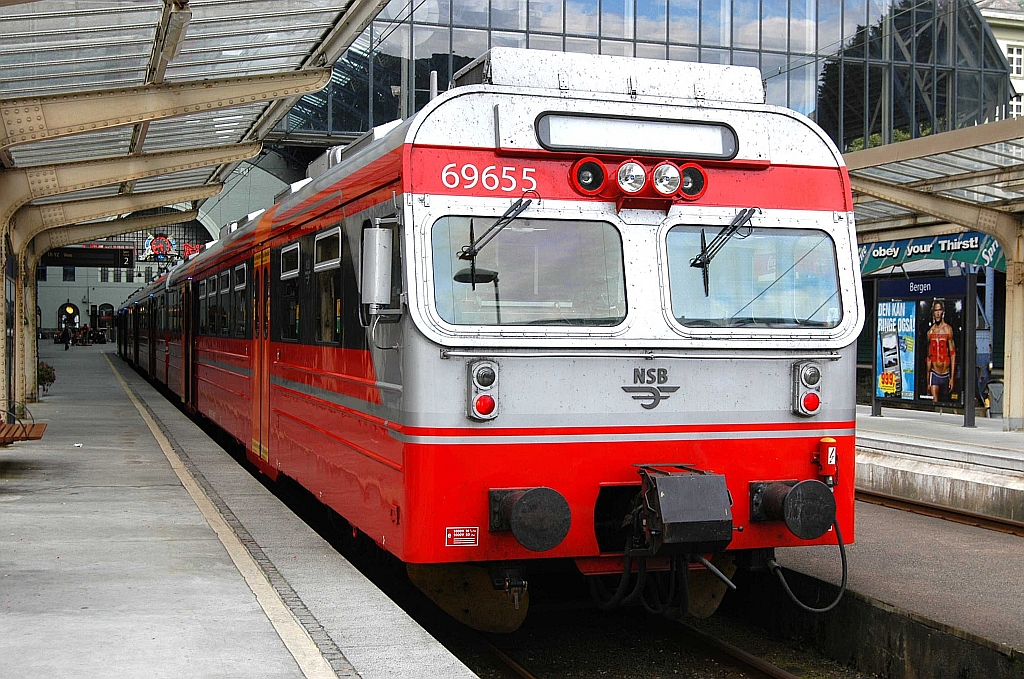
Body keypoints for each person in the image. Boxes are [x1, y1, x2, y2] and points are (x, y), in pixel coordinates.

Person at [926, 300, 956, 402]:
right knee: (935, 400)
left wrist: (952, 377)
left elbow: (952, 354)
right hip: (934, 372)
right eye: (935, 310)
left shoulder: (948, 329)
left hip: (946, 373)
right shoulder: (930, 332)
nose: (938, 313)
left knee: (946, 402)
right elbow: (929, 358)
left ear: (942, 312)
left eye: (939, 310)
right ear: (933, 313)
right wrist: (928, 381)